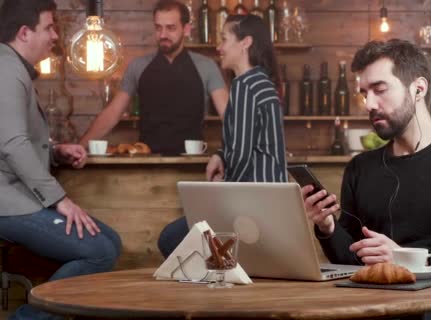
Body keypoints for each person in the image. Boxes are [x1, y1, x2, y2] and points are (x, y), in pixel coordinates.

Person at [301, 39, 431, 320]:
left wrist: (403, 258)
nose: (369, 103)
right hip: (368, 310)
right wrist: (326, 227)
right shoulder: (360, 168)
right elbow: (350, 262)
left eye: (380, 89)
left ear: (418, 88)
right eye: (364, 93)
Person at [0, 1, 122, 319]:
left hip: (16, 199)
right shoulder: (6, 70)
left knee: (110, 241)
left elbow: (10, 139)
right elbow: (12, 144)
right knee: (100, 251)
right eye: (49, 27)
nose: (55, 36)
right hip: (6, 204)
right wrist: (60, 200)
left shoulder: (14, 68)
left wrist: (54, 151)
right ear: (25, 33)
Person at [157, 14, 287, 258]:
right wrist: (220, 154)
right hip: (269, 204)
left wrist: (221, 190)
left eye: (225, 39)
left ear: (245, 42)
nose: (219, 47)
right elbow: (246, 140)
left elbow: (242, 154)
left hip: (251, 205)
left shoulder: (245, 86)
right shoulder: (261, 83)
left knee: (170, 239)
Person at [78, 0, 229, 156]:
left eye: (171, 28)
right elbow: (112, 113)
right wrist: (79, 147)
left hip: (192, 162)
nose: (163, 35)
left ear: (186, 29)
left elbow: (228, 116)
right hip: (147, 161)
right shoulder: (137, 66)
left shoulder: (206, 66)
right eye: (158, 28)